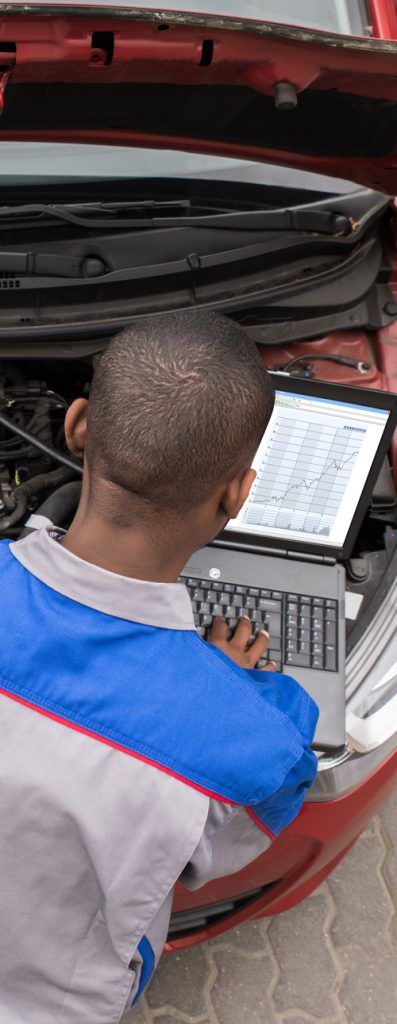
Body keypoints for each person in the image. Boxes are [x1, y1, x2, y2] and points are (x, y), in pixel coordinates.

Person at [0, 311, 318, 1024]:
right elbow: (225, 851)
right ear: (237, 493)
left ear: (77, 426)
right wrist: (217, 684)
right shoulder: (251, 738)